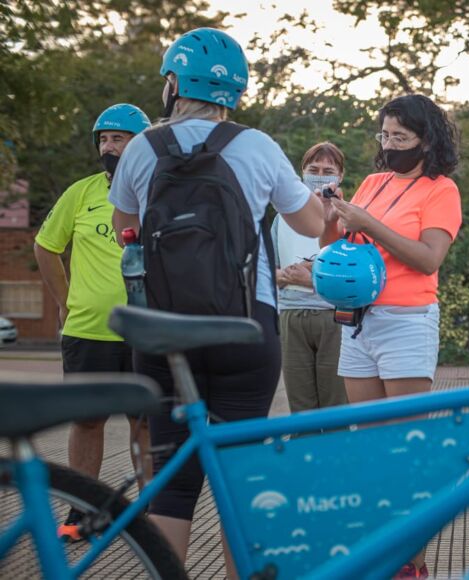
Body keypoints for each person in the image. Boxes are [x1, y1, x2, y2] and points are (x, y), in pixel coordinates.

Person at [108, 28, 324, 573]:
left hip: (161, 333)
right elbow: (313, 223)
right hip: (245, 329)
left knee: (172, 485)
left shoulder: (140, 148)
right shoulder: (257, 147)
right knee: (239, 480)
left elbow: (124, 229)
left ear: (175, 83)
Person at [319, 94, 462, 579]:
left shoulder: (441, 190)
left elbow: (427, 259)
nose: (390, 144)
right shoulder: (375, 181)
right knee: (371, 450)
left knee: (406, 449)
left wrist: (369, 224)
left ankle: (413, 564)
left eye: (401, 137)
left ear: (427, 139)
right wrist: (332, 216)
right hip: (359, 320)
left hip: (406, 321)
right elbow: (338, 242)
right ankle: (381, 553)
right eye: (385, 135)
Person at [34, 103, 153, 540]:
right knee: (87, 421)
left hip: (145, 330)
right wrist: (64, 302)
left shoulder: (158, 191)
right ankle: (81, 511)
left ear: (139, 144)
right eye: (103, 138)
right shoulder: (80, 193)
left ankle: (148, 517)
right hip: (88, 329)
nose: (108, 146)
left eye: (118, 138)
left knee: (146, 424)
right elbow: (46, 246)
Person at [272, 142, 348, 413]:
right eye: (313, 168)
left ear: (340, 176)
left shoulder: (350, 215)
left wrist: (312, 278)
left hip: (334, 319)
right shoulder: (283, 217)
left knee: (335, 407)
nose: (319, 174)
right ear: (301, 171)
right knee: (301, 410)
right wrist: (286, 275)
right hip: (292, 316)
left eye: (328, 169)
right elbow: (268, 268)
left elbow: (356, 274)